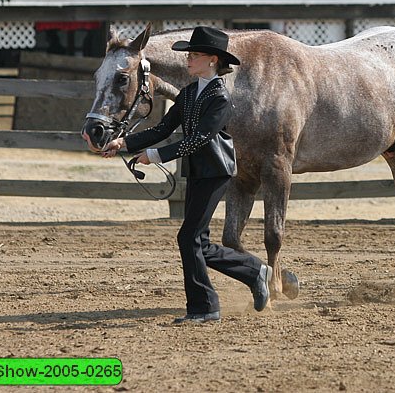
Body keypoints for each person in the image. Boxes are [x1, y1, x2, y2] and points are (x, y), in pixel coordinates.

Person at [102, 26, 272, 324]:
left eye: (194, 55)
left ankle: (205, 307)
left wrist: (155, 156)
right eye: (189, 54)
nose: (188, 59)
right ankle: (255, 272)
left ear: (212, 60)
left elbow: (200, 139)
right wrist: (124, 143)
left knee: (188, 237)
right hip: (198, 169)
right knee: (198, 242)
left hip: (215, 171)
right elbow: (163, 129)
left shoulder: (221, 97)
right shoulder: (190, 93)